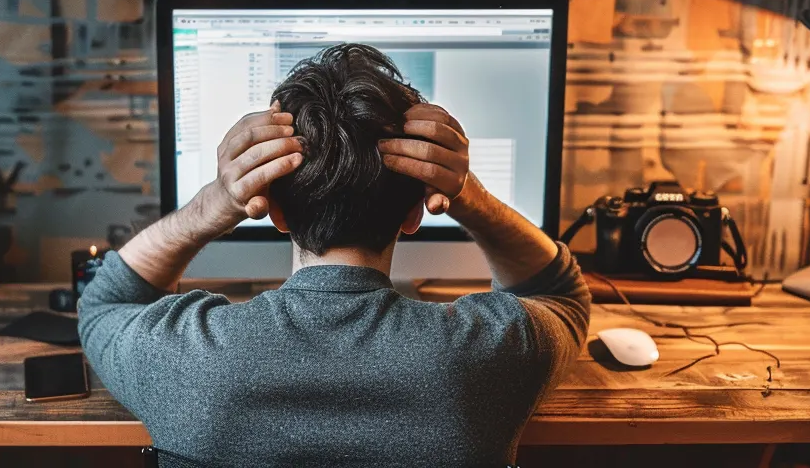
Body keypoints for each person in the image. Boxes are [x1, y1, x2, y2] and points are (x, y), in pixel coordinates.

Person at [78, 43, 590, 467]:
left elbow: (103, 303)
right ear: (416, 213)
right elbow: (559, 293)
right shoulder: (491, 351)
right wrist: (468, 195)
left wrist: (215, 202)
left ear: (274, 211)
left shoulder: (185, 355)